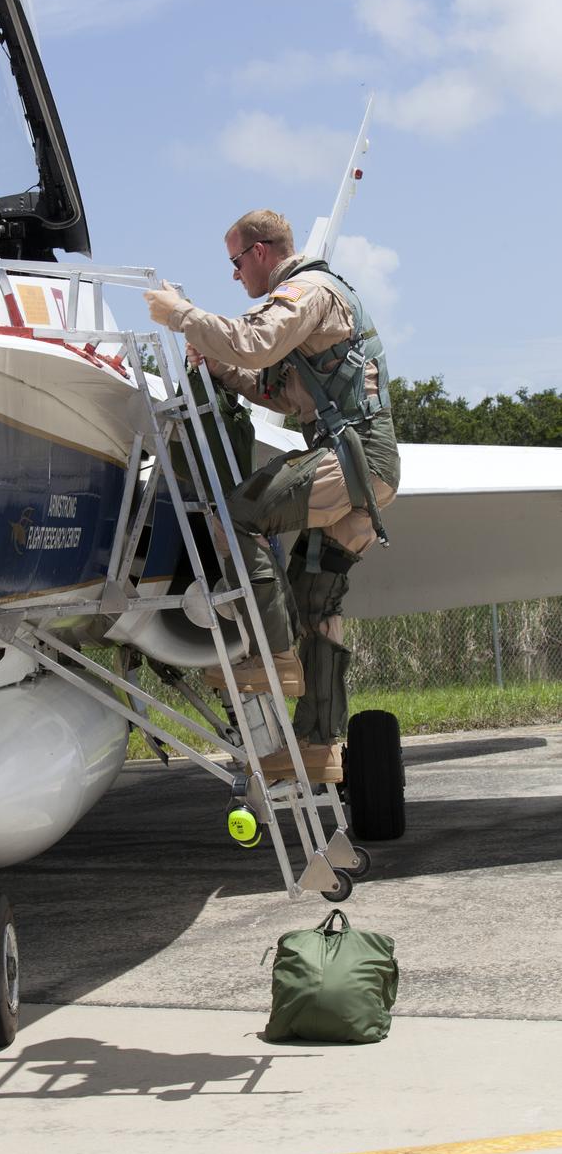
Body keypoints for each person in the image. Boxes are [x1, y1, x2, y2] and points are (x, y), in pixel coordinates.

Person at [143, 209, 400, 783]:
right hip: (364, 465)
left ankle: (274, 655)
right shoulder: (322, 305)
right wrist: (220, 368)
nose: (235, 276)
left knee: (238, 516)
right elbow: (282, 392)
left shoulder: (306, 290)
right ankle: (318, 747)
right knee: (318, 604)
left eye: (236, 262)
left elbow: (255, 343)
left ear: (261, 252)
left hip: (350, 461)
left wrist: (182, 316)